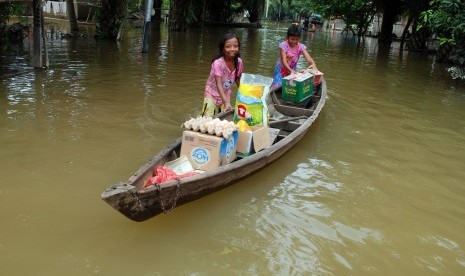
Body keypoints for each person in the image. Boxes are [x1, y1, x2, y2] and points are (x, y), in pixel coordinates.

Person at [201, 33, 243, 117]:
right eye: (228, 46)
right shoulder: (218, 63)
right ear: (222, 49)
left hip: (226, 93)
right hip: (212, 93)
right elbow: (219, 85)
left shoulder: (239, 62)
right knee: (207, 118)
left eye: (235, 46)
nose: (232, 49)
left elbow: (237, 79)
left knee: (223, 118)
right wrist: (226, 103)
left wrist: (245, 96)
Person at [271, 24, 318, 89]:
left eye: (297, 39)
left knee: (290, 87)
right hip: (281, 70)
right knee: (277, 86)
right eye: (292, 39)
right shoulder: (283, 45)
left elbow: (308, 58)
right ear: (288, 37)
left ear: (299, 38)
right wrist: (290, 70)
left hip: (292, 70)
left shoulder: (301, 47)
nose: (294, 41)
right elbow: (284, 62)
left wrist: (313, 64)